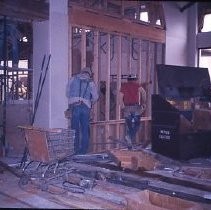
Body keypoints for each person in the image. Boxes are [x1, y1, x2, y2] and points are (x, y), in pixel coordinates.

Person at [66, 67, 99, 154]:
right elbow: (96, 97)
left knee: (75, 129)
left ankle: (75, 151)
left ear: (81, 72)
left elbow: (67, 93)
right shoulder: (91, 82)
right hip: (85, 106)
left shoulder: (72, 79)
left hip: (74, 106)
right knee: (85, 129)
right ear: (89, 74)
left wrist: (73, 99)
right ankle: (83, 151)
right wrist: (90, 102)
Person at [120, 74, 146, 149]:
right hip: (135, 107)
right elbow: (144, 93)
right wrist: (143, 103)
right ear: (135, 79)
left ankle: (129, 145)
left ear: (128, 79)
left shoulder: (124, 86)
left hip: (127, 107)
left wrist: (123, 107)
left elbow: (120, 97)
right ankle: (129, 138)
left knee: (129, 126)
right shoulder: (137, 85)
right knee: (137, 125)